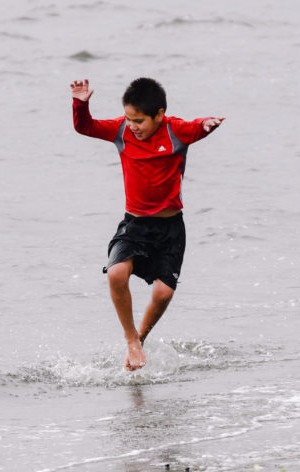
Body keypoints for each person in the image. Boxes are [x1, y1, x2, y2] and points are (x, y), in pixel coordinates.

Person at [70, 77, 224, 371]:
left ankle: (140, 340)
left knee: (164, 293)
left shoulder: (175, 131)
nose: (133, 126)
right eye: (129, 119)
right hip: (135, 225)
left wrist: (207, 124)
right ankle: (131, 339)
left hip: (170, 228)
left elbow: (196, 126)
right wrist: (80, 103)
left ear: (160, 115)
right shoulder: (120, 130)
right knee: (116, 274)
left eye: (139, 121)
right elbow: (85, 127)